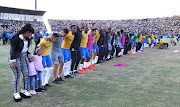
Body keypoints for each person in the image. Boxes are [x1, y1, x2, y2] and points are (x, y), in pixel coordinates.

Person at [8, 24, 34, 102]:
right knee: (17, 75)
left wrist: (29, 55)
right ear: (26, 32)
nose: (30, 35)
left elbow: (24, 49)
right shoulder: (16, 38)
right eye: (30, 33)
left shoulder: (28, 39)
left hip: (24, 57)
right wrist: (13, 61)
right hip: (16, 58)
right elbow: (13, 50)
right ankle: (16, 93)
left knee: (26, 73)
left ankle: (24, 90)